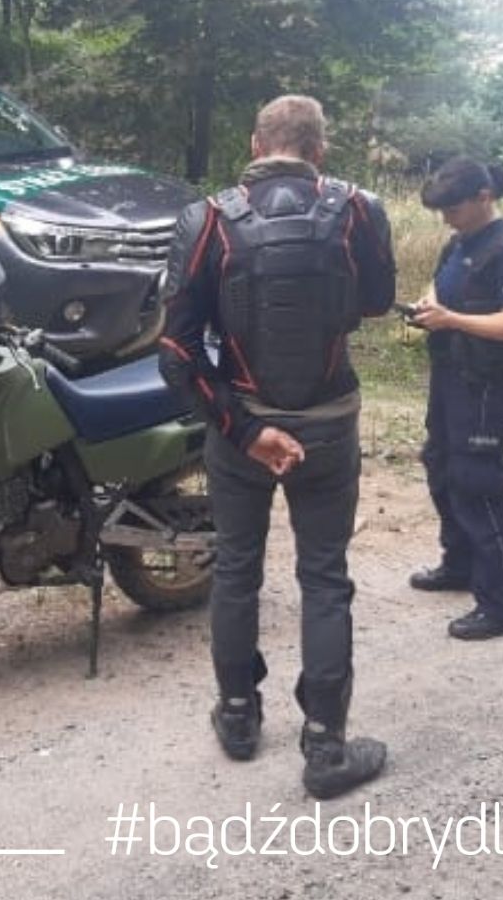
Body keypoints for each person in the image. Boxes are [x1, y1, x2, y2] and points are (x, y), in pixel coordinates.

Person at [159, 94, 395, 800]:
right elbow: (378, 301)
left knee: (236, 570)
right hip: (328, 424)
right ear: (319, 150)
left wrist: (248, 431)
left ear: (256, 144)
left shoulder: (207, 218)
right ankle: (325, 746)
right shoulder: (360, 210)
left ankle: (237, 717)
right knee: (324, 577)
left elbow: (174, 351)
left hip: (242, 428)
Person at [407, 156, 503, 641]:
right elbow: (442, 289)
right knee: (440, 464)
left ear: (484, 198)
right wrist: (429, 307)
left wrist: (452, 321)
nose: (446, 218)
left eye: (453, 209)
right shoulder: (459, 242)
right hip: (449, 373)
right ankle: (459, 564)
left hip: (484, 383)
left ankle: (502, 605)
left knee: (477, 481)